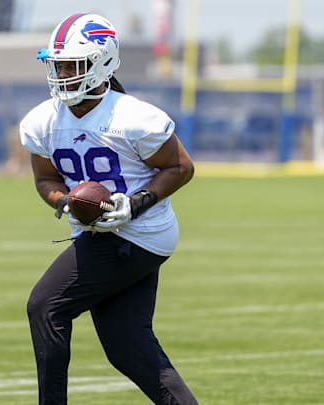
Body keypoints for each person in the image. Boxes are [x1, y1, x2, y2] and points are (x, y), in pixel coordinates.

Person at [19, 13, 198, 404]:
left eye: (72, 65)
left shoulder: (133, 117)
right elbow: (45, 181)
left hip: (137, 233)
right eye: (58, 64)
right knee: (128, 347)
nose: (62, 73)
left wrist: (136, 204)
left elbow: (180, 166)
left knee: (46, 306)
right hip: (103, 234)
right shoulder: (42, 121)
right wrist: (65, 202)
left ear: (100, 64)